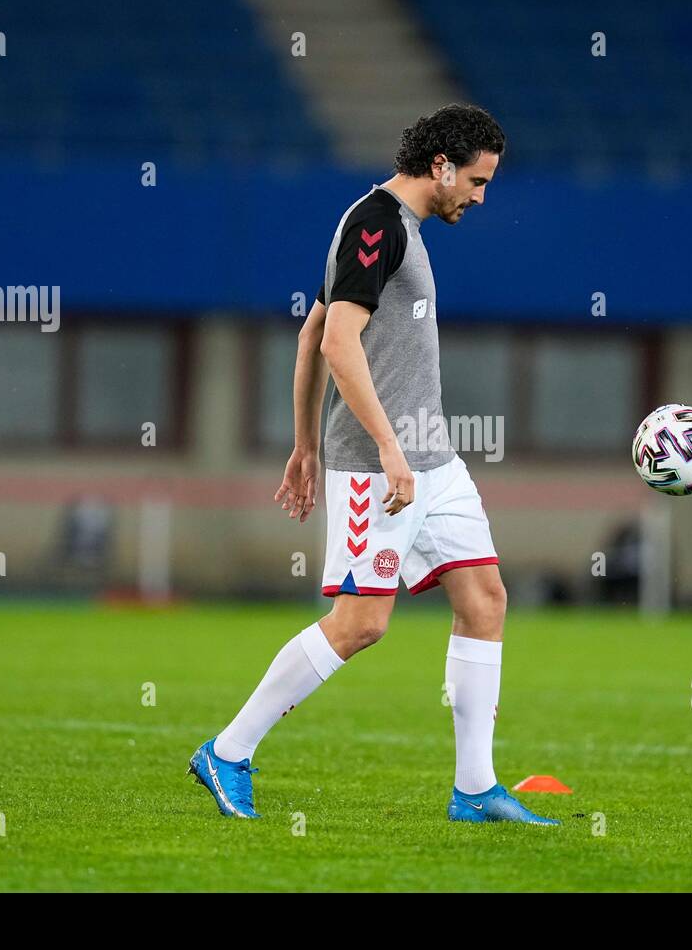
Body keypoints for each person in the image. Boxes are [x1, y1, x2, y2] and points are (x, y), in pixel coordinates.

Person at [189, 104, 557, 825]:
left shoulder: (401, 230)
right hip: (378, 467)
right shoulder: (375, 224)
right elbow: (336, 344)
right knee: (360, 624)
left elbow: (310, 334)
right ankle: (228, 751)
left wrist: (302, 445)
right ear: (442, 166)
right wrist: (376, 450)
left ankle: (475, 789)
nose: (481, 197)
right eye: (478, 181)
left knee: (485, 602)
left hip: (434, 462)